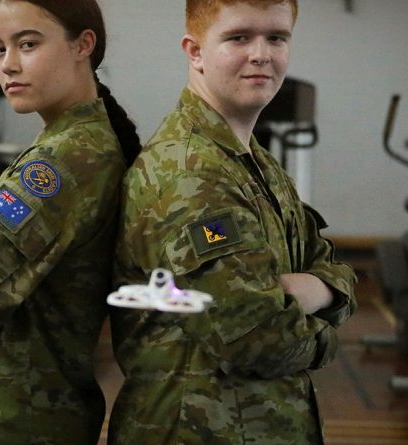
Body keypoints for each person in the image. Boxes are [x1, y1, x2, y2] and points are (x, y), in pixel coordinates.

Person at [108, 0, 356, 444]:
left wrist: (320, 287)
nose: (261, 53)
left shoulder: (253, 160)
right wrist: (329, 334)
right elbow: (256, 337)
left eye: (276, 37)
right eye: (239, 37)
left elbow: (324, 260)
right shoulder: (191, 172)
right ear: (195, 51)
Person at [0, 1, 141, 443]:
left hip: (11, 418)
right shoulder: (74, 141)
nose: (9, 66)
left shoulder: (63, 161)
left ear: (84, 45)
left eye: (28, 44)